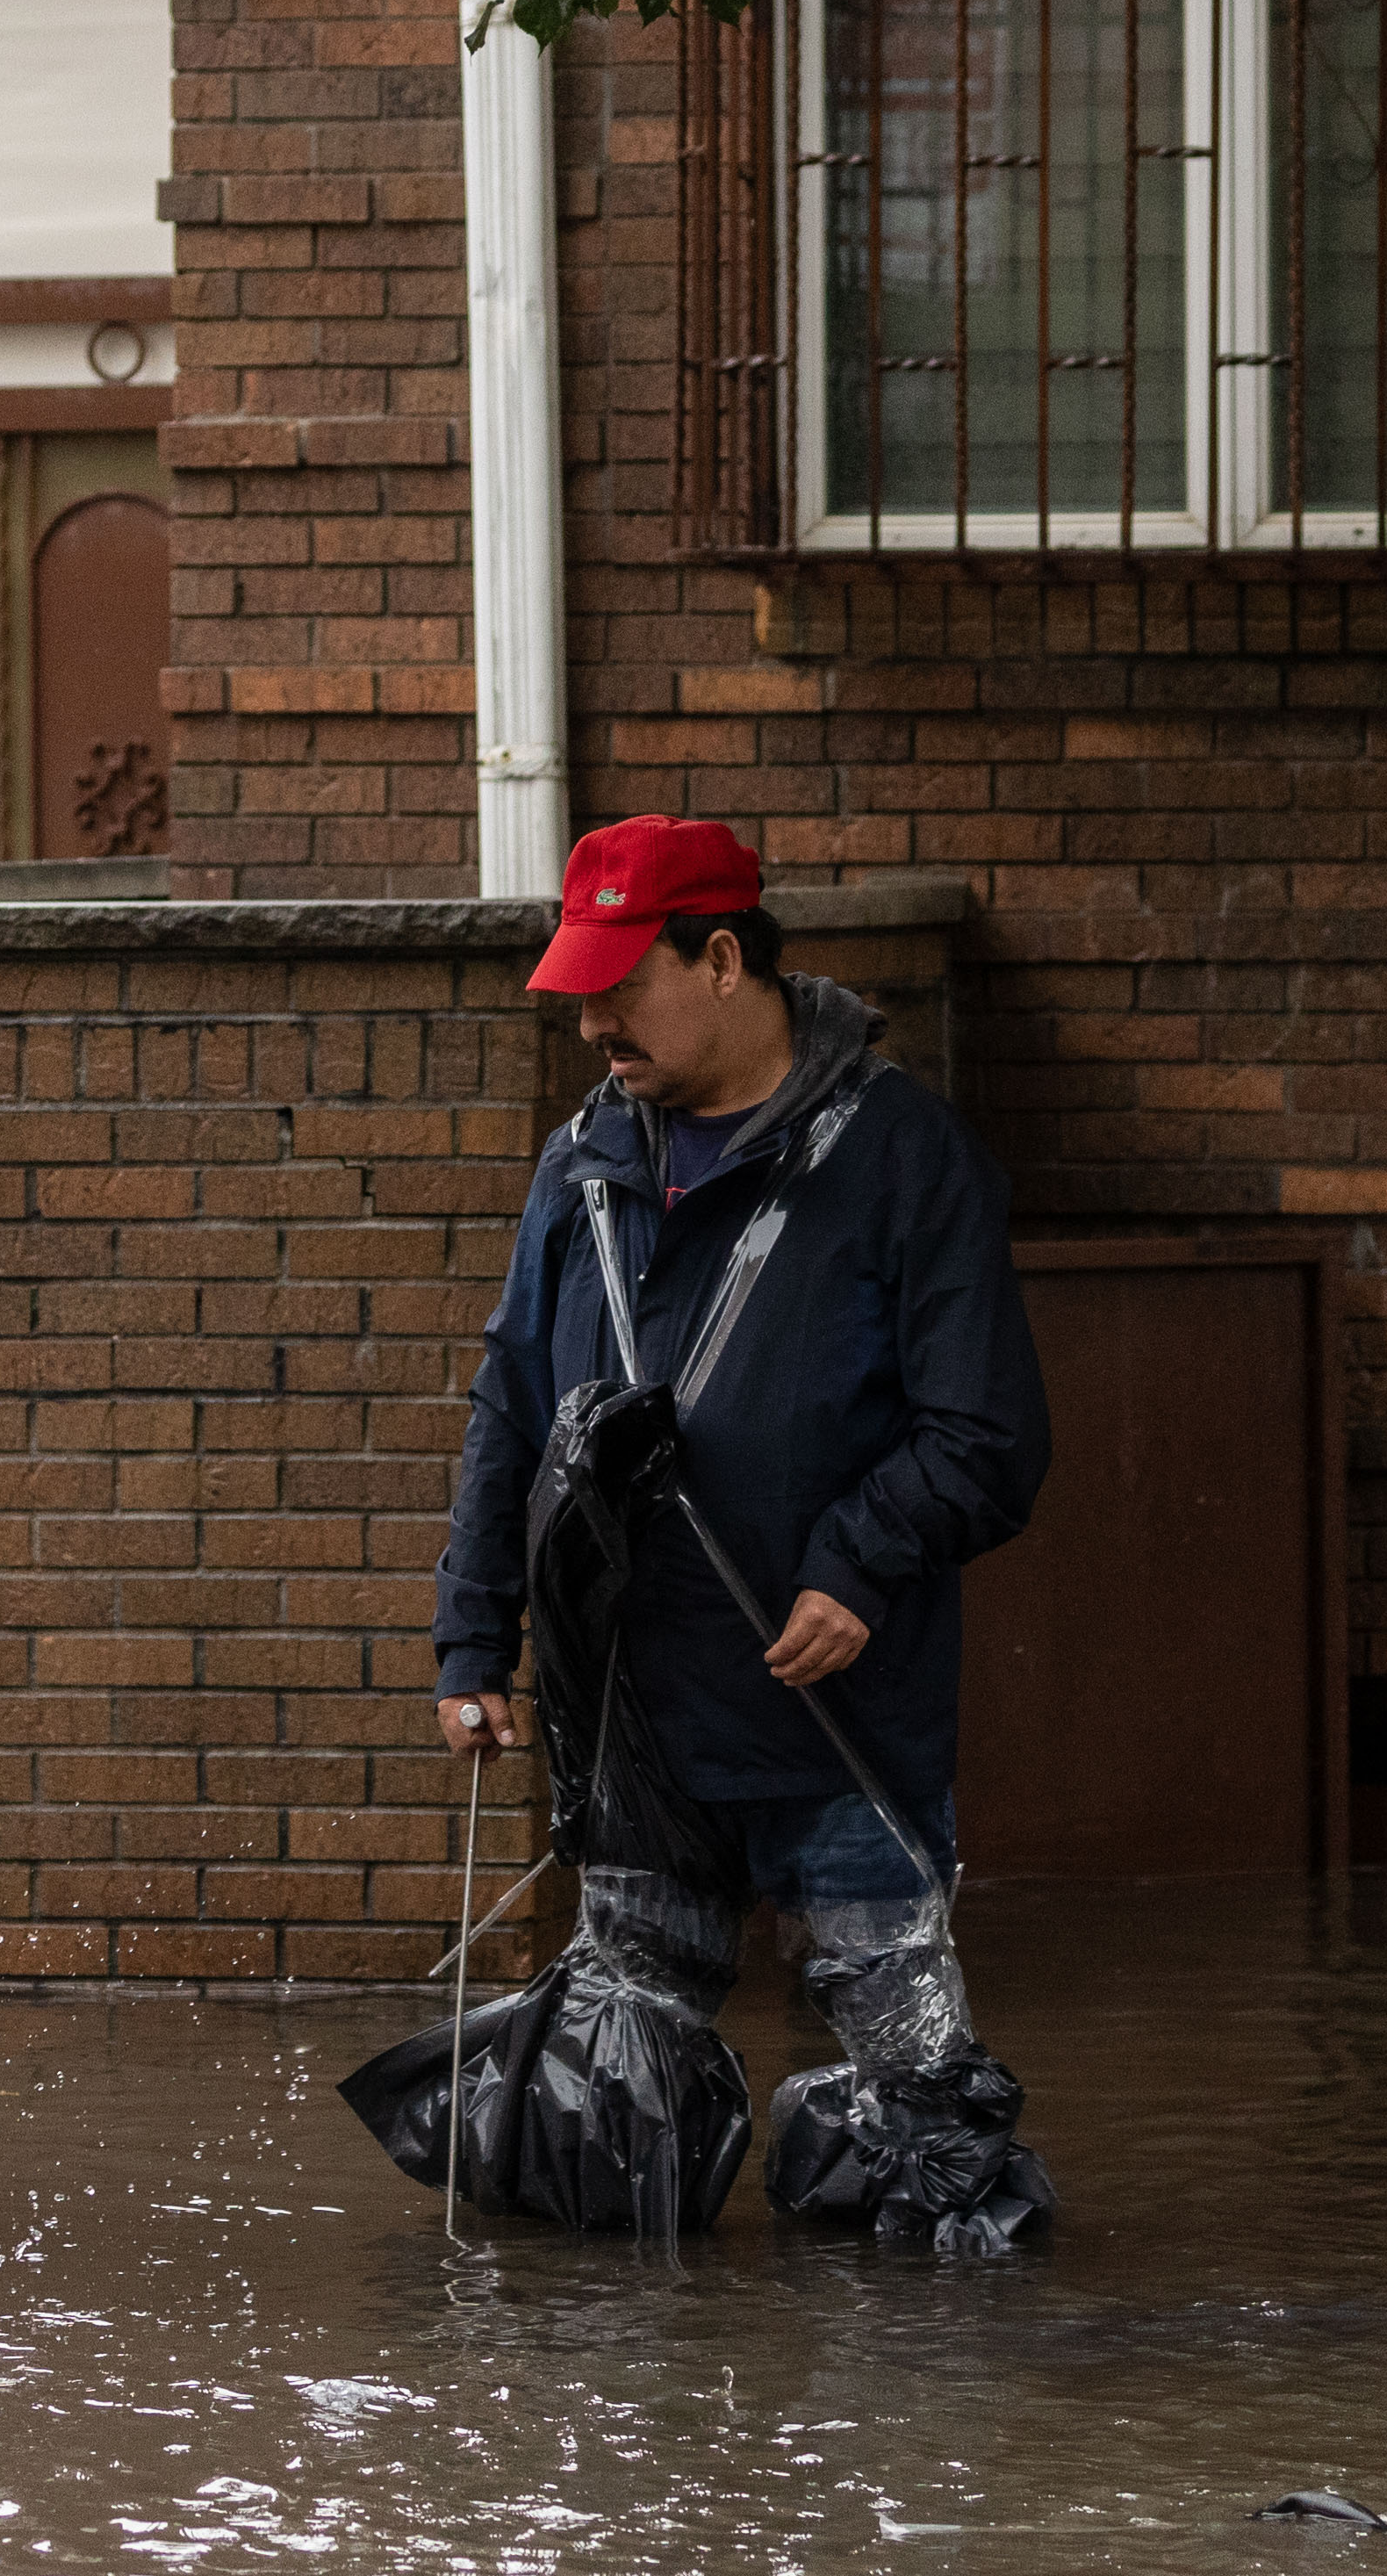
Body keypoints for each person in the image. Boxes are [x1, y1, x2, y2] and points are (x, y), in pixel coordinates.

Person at [429, 815, 1053, 2223]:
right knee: (601, 2159)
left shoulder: (903, 1159)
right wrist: (472, 1637)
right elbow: (511, 1406)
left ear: (721, 959)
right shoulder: (580, 1161)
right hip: (638, 1722)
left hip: (836, 1716)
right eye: (576, 989)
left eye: (618, 983)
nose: (591, 1021)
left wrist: (856, 1563)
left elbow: (988, 1434)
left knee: (924, 2152)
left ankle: (918, 2411)